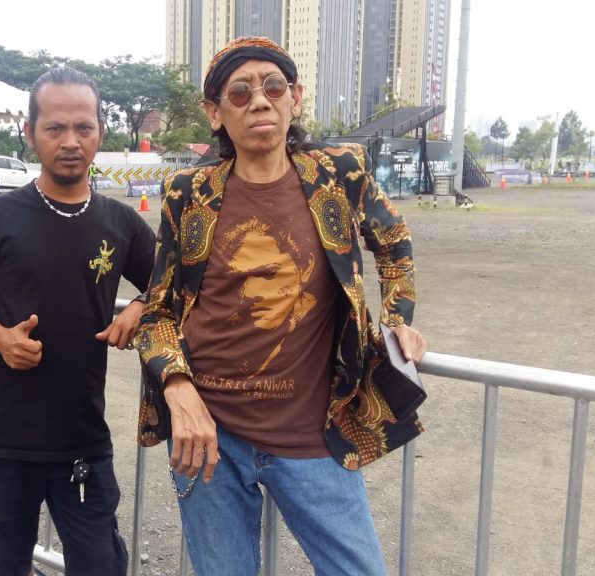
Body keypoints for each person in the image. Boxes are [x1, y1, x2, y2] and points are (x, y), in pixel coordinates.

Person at [133, 36, 427, 575]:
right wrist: (178, 389)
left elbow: (394, 244)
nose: (259, 101)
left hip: (314, 434)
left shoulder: (340, 172)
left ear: (295, 98)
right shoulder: (188, 191)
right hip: (209, 437)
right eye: (239, 93)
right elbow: (158, 313)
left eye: (273, 86)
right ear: (215, 113)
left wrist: (396, 321)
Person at [0, 67, 155, 576]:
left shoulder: (120, 222)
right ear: (30, 133)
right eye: (55, 128)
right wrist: (1, 339)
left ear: (100, 132)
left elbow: (171, 281)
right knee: (2, 565)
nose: (70, 141)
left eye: (83, 127)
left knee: (100, 564)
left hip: (81, 435)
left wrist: (140, 306)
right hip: (0, 437)